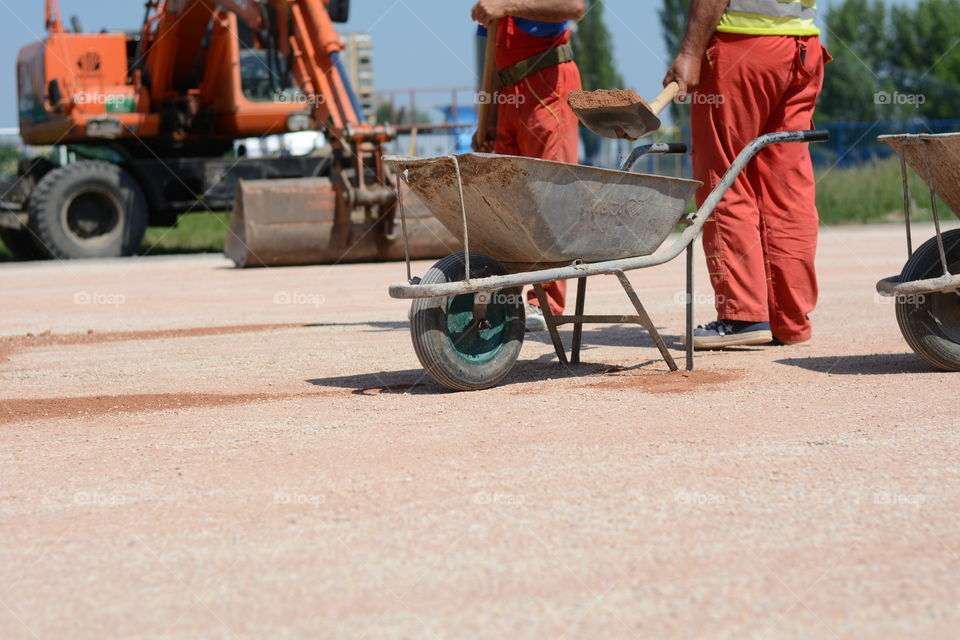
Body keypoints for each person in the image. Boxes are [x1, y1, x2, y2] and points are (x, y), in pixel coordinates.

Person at [664, 0, 829, 349]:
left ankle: (742, 315)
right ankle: (790, 319)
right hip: (802, 49)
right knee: (787, 190)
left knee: (724, 180)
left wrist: (691, 52)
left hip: (741, 49)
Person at [471, 0, 585, 331]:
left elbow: (574, 8)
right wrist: (487, 121)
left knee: (548, 197)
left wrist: (504, 6)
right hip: (508, 96)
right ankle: (505, 297)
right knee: (506, 205)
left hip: (546, 85)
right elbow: (491, 56)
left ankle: (545, 302)